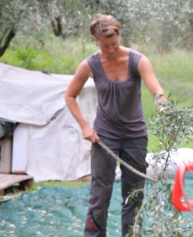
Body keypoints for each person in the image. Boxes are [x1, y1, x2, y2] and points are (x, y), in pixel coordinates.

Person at [65, 14, 165, 237]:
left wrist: (165, 112)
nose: (111, 49)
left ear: (120, 36)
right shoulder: (89, 65)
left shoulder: (138, 60)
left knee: (134, 194)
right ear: (95, 41)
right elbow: (70, 96)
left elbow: (156, 91)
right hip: (104, 136)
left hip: (135, 137)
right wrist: (84, 126)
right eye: (105, 45)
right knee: (99, 195)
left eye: (114, 44)